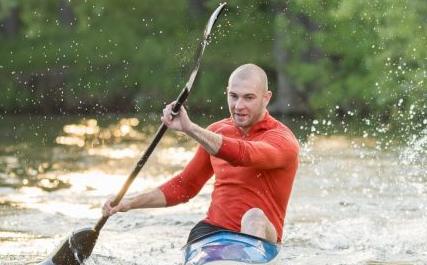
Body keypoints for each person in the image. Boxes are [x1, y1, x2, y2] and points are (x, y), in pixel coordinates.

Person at [102, 64, 299, 245]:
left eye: (249, 98)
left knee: (254, 216)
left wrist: (191, 129)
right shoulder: (216, 131)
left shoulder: (282, 140)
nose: (239, 106)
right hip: (214, 231)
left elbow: (243, 155)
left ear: (266, 98)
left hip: (263, 238)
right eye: (233, 96)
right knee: (199, 232)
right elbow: (185, 185)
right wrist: (128, 202)